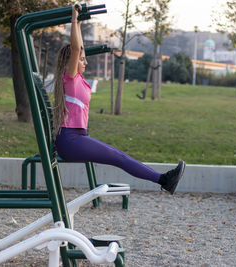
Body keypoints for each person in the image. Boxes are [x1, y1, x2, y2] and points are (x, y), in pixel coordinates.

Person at [53, 4, 185, 194]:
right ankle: (164, 180)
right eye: (82, 59)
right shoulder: (70, 78)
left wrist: (80, 24)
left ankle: (164, 180)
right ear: (70, 63)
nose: (85, 61)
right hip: (70, 140)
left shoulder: (78, 79)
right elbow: (75, 49)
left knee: (119, 156)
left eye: (84, 58)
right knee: (118, 157)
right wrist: (73, 18)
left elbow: (79, 47)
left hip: (77, 137)